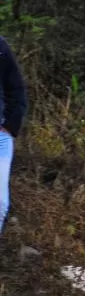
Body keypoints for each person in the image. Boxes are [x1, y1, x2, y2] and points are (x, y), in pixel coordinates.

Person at [0, 35, 27, 237]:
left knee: (0, 203)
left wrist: (9, 126)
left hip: (1, 138)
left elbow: (16, 88)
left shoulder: (0, 46)